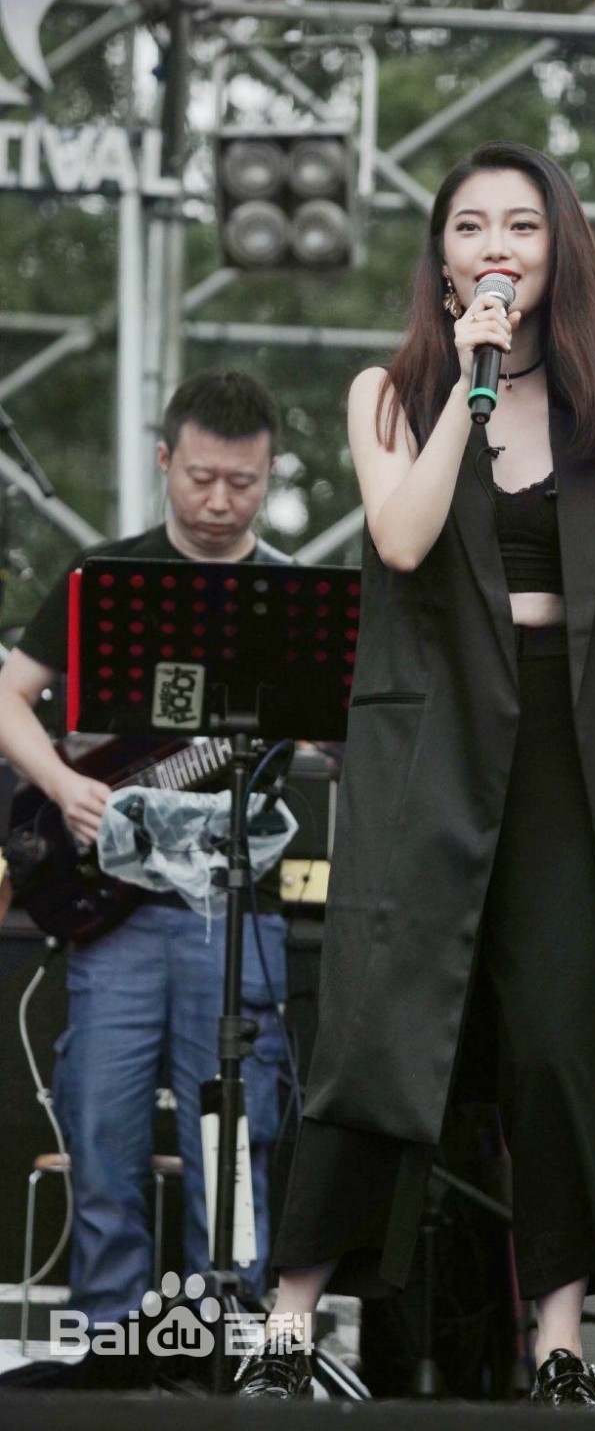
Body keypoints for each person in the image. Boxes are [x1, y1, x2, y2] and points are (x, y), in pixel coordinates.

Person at [235, 140, 595, 1406]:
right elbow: (401, 535)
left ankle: (559, 1341)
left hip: (570, 738)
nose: (497, 245)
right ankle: (288, 1320)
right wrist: (470, 387)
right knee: (382, 1019)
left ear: (561, 249)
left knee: (562, 1036)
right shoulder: (389, 393)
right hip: (431, 728)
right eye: (471, 226)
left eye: (522, 225)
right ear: (441, 256)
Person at [0, 368, 290, 1332]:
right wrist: (63, 785)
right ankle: (107, 1336)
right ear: (164, 460)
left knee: (234, 1133)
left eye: (243, 483)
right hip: (112, 906)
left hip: (228, 906)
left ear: (270, 475)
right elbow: (9, 695)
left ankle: (232, 1335)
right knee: (102, 1123)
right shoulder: (105, 576)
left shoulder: (291, 597)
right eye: (201, 477)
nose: (220, 501)